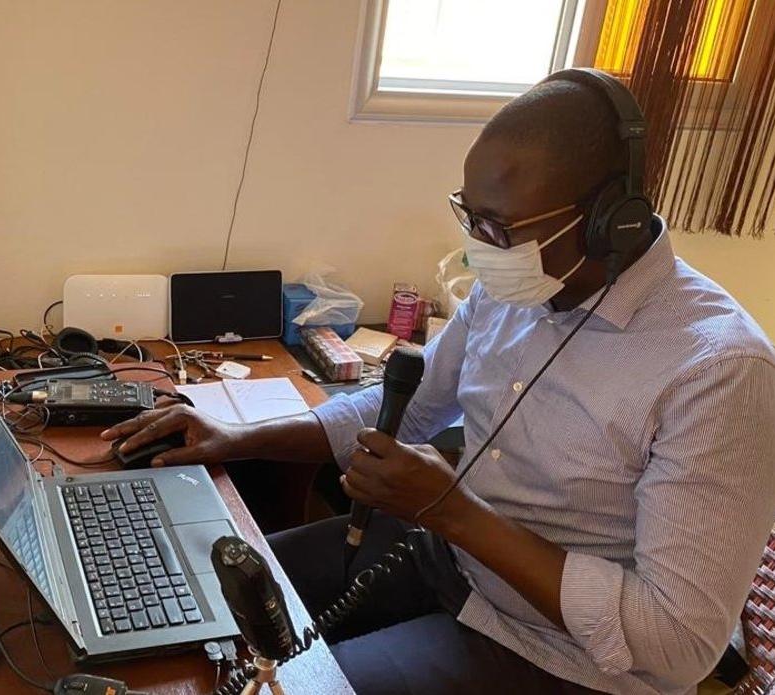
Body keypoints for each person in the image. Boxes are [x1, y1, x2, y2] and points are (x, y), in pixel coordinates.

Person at [101, 71, 775, 694]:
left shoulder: (720, 371)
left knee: (288, 685)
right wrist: (236, 437)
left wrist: (451, 509)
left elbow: (679, 643)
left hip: (561, 656)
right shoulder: (517, 286)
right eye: (471, 217)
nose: (481, 247)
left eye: (500, 228)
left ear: (609, 223)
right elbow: (411, 407)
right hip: (448, 557)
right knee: (196, 592)